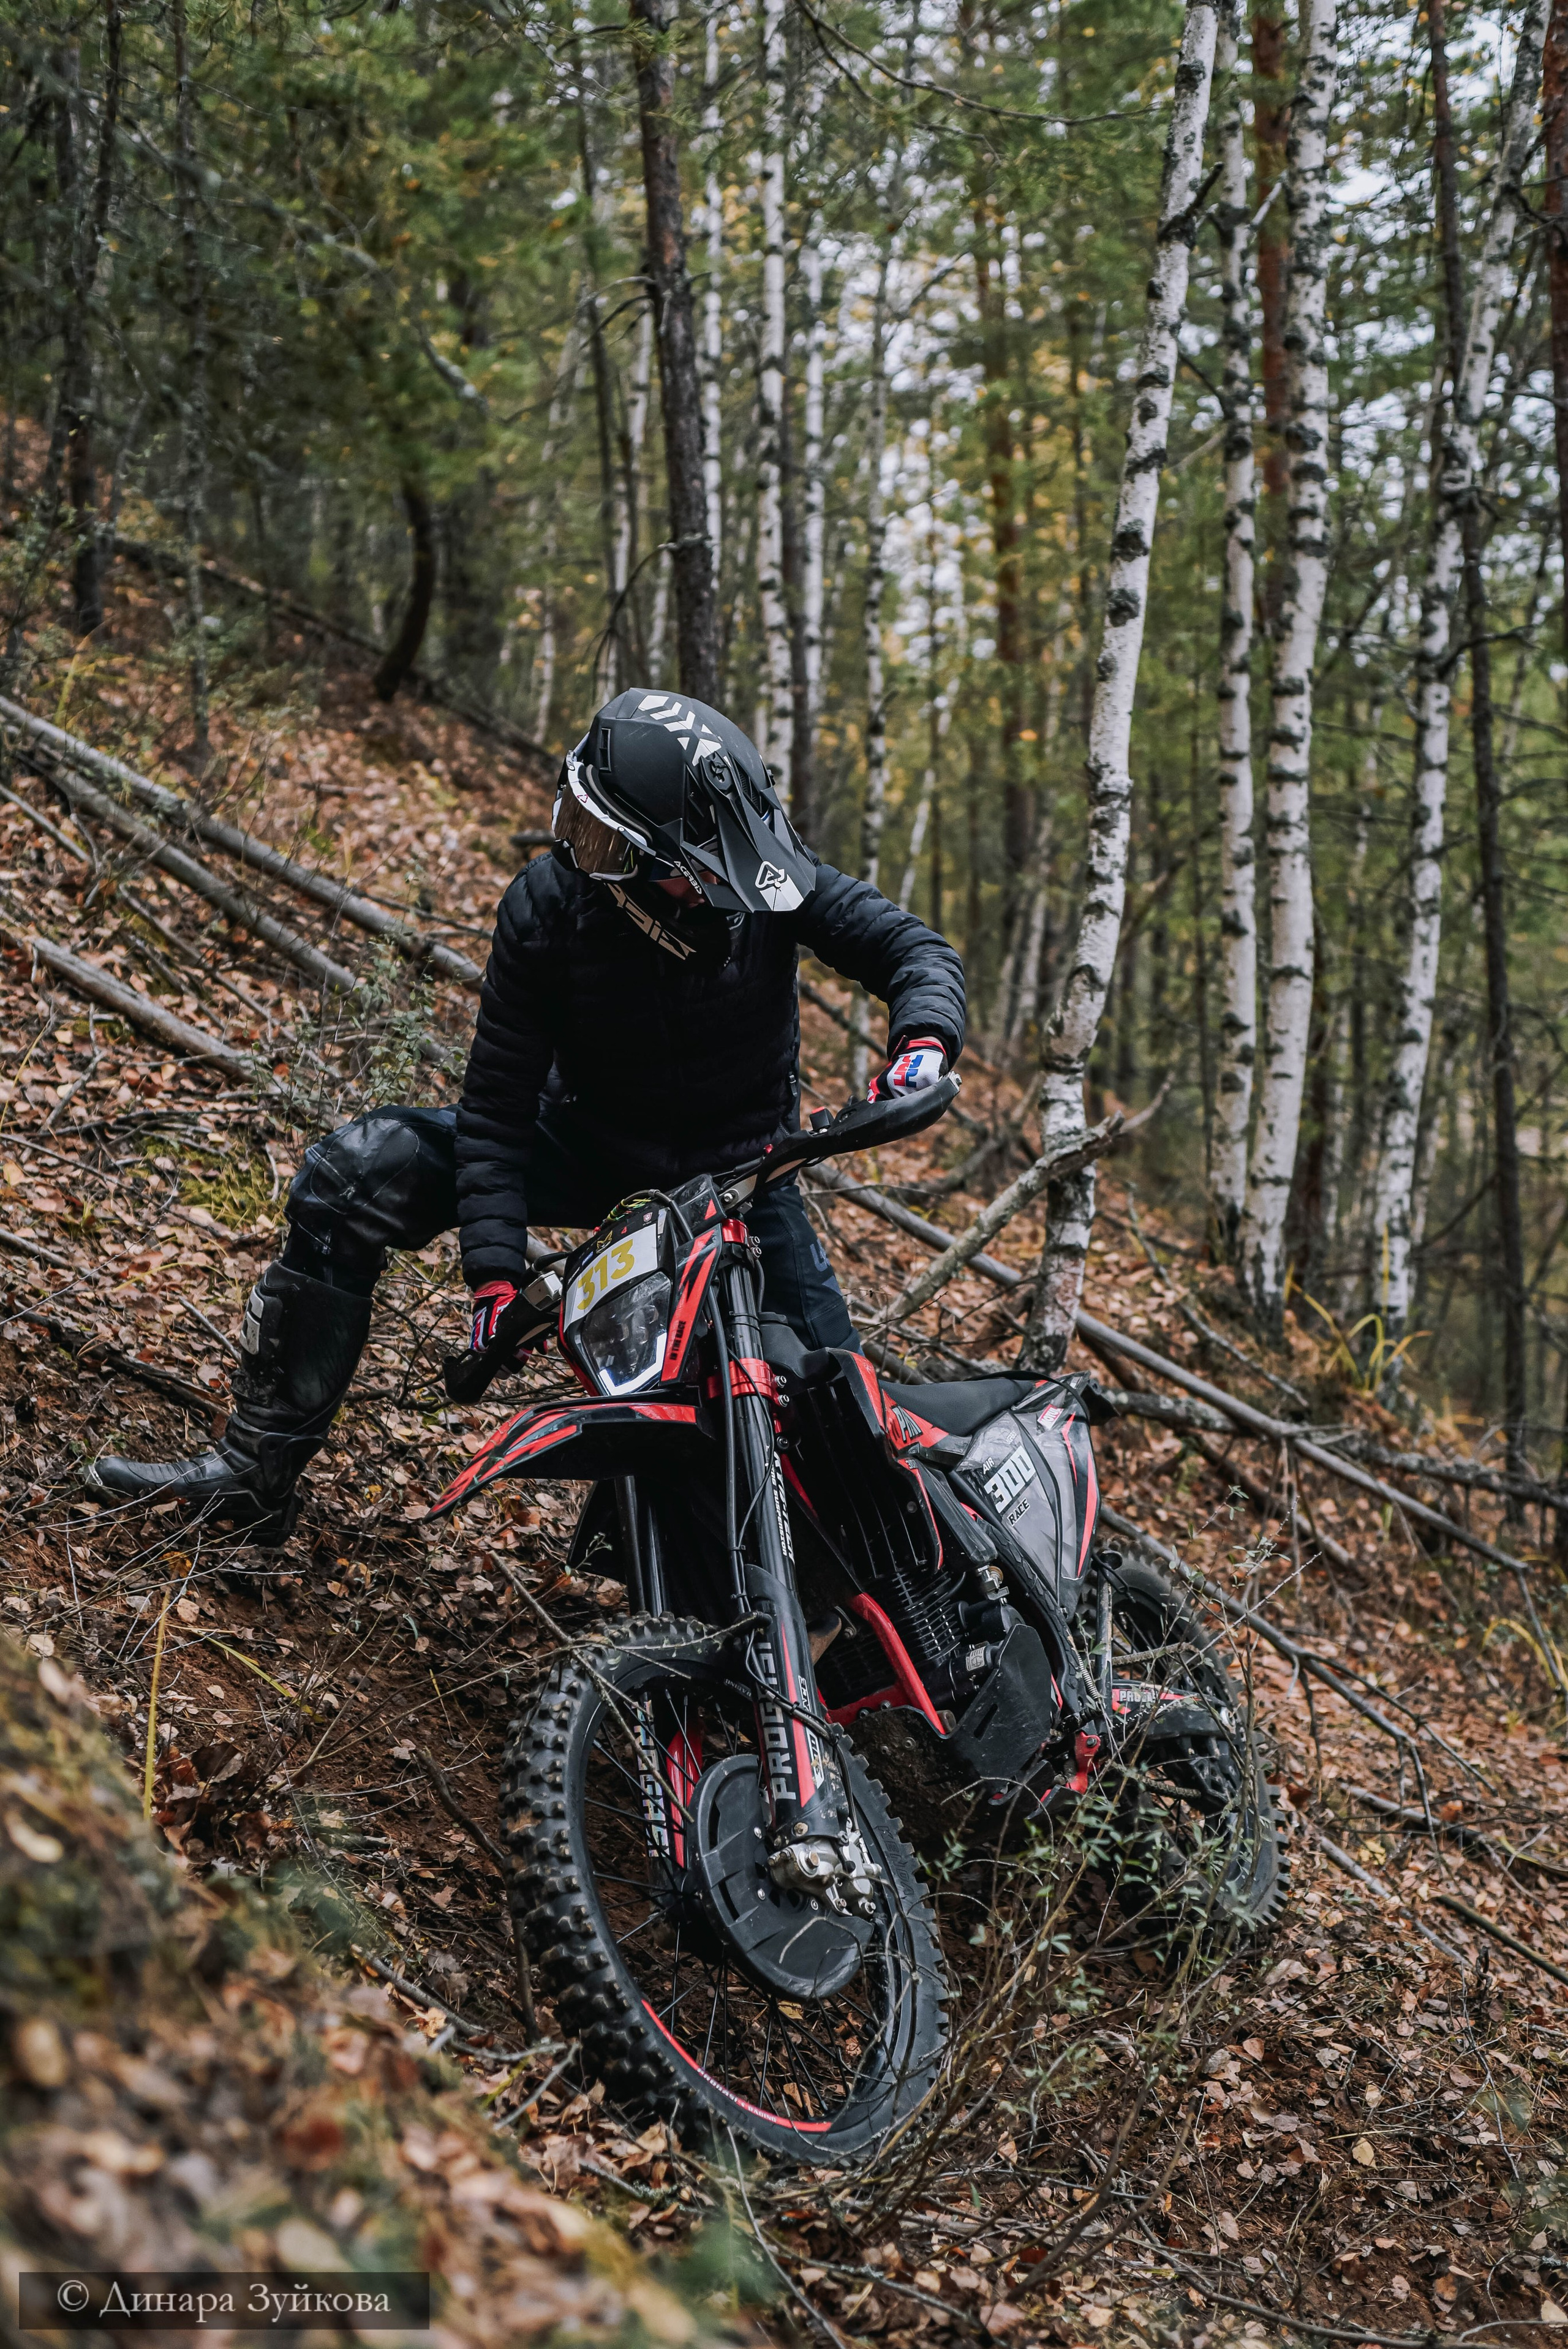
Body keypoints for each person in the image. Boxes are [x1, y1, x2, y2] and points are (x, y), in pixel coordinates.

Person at [89, 690, 966, 1542]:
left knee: (843, 1414)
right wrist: (495, 1275)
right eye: (591, 836)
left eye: (625, 850)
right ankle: (253, 1477)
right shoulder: (546, 910)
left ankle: (872, 1622)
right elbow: (499, 1106)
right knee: (356, 1172)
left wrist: (923, 1043)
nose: (592, 857)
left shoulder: (778, 886)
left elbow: (909, 948)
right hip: (590, 1147)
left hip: (741, 1177)